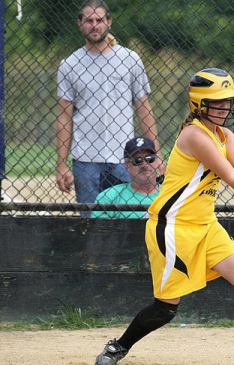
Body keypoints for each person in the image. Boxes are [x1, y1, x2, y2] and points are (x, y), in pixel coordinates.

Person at [94, 68, 234, 365]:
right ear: (200, 104)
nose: (226, 107)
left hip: (204, 223)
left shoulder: (223, 133)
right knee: (166, 309)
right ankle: (118, 346)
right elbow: (233, 178)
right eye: (219, 102)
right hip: (173, 227)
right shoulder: (195, 136)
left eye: (229, 101)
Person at [56, 0, 165, 216]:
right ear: (80, 24)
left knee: (133, 219)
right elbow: (64, 117)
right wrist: (61, 164)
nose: (94, 25)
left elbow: (144, 108)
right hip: (85, 158)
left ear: (109, 22)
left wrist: (157, 153)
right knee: (90, 223)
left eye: (99, 20)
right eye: (89, 20)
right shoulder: (69, 64)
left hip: (126, 158)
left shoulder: (130, 59)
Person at [91, 136, 161, 219]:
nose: (145, 165)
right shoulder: (109, 197)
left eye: (150, 159)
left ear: (157, 161)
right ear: (127, 165)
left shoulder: (171, 193)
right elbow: (99, 230)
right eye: (137, 161)